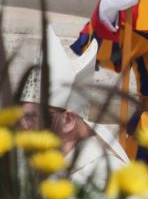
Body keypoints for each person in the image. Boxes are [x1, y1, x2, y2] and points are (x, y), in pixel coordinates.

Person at [20, 25, 128, 189]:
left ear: (68, 119)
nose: (23, 127)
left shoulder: (106, 176)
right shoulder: (37, 162)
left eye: (32, 118)